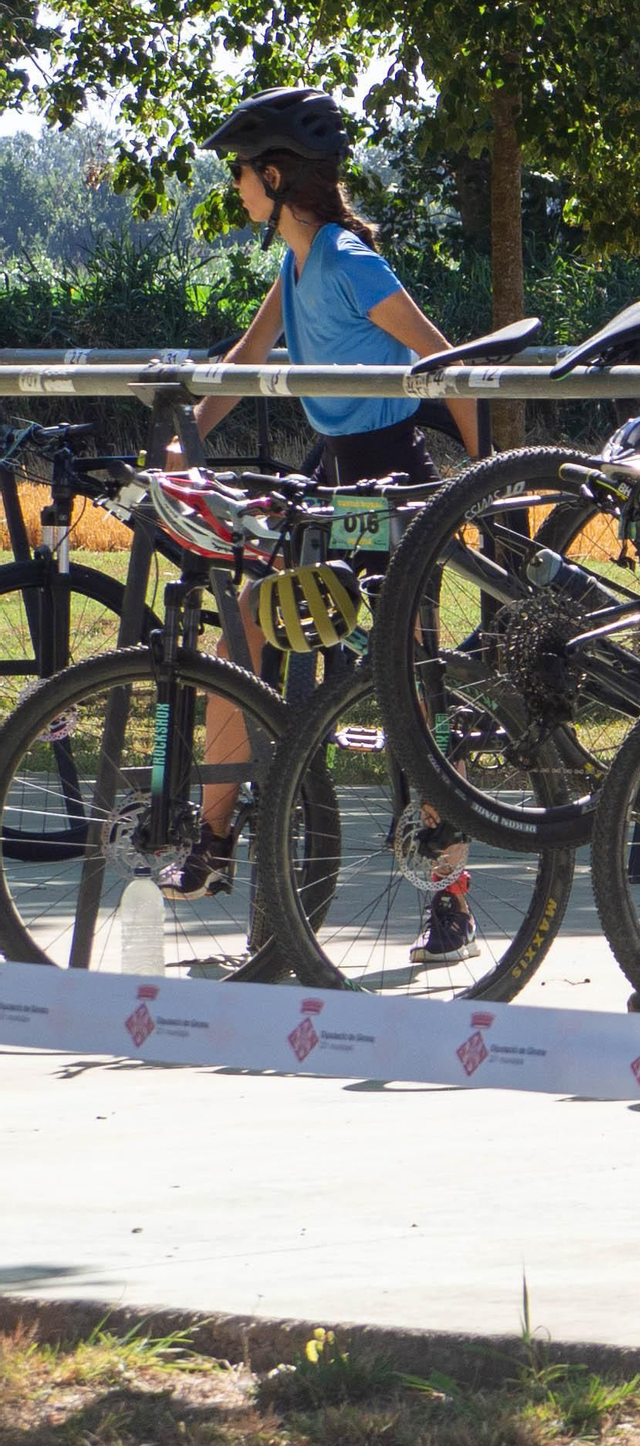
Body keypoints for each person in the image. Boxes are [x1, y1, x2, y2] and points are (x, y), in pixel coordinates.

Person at [158, 86, 484, 967]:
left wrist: (485, 487)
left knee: (412, 683)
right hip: (332, 473)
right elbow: (244, 362)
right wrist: (180, 448)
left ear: (274, 176)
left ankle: (450, 897)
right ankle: (217, 838)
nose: (234, 187)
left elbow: (442, 360)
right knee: (247, 633)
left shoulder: (345, 258)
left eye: (240, 173)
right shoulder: (296, 267)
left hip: (393, 478)